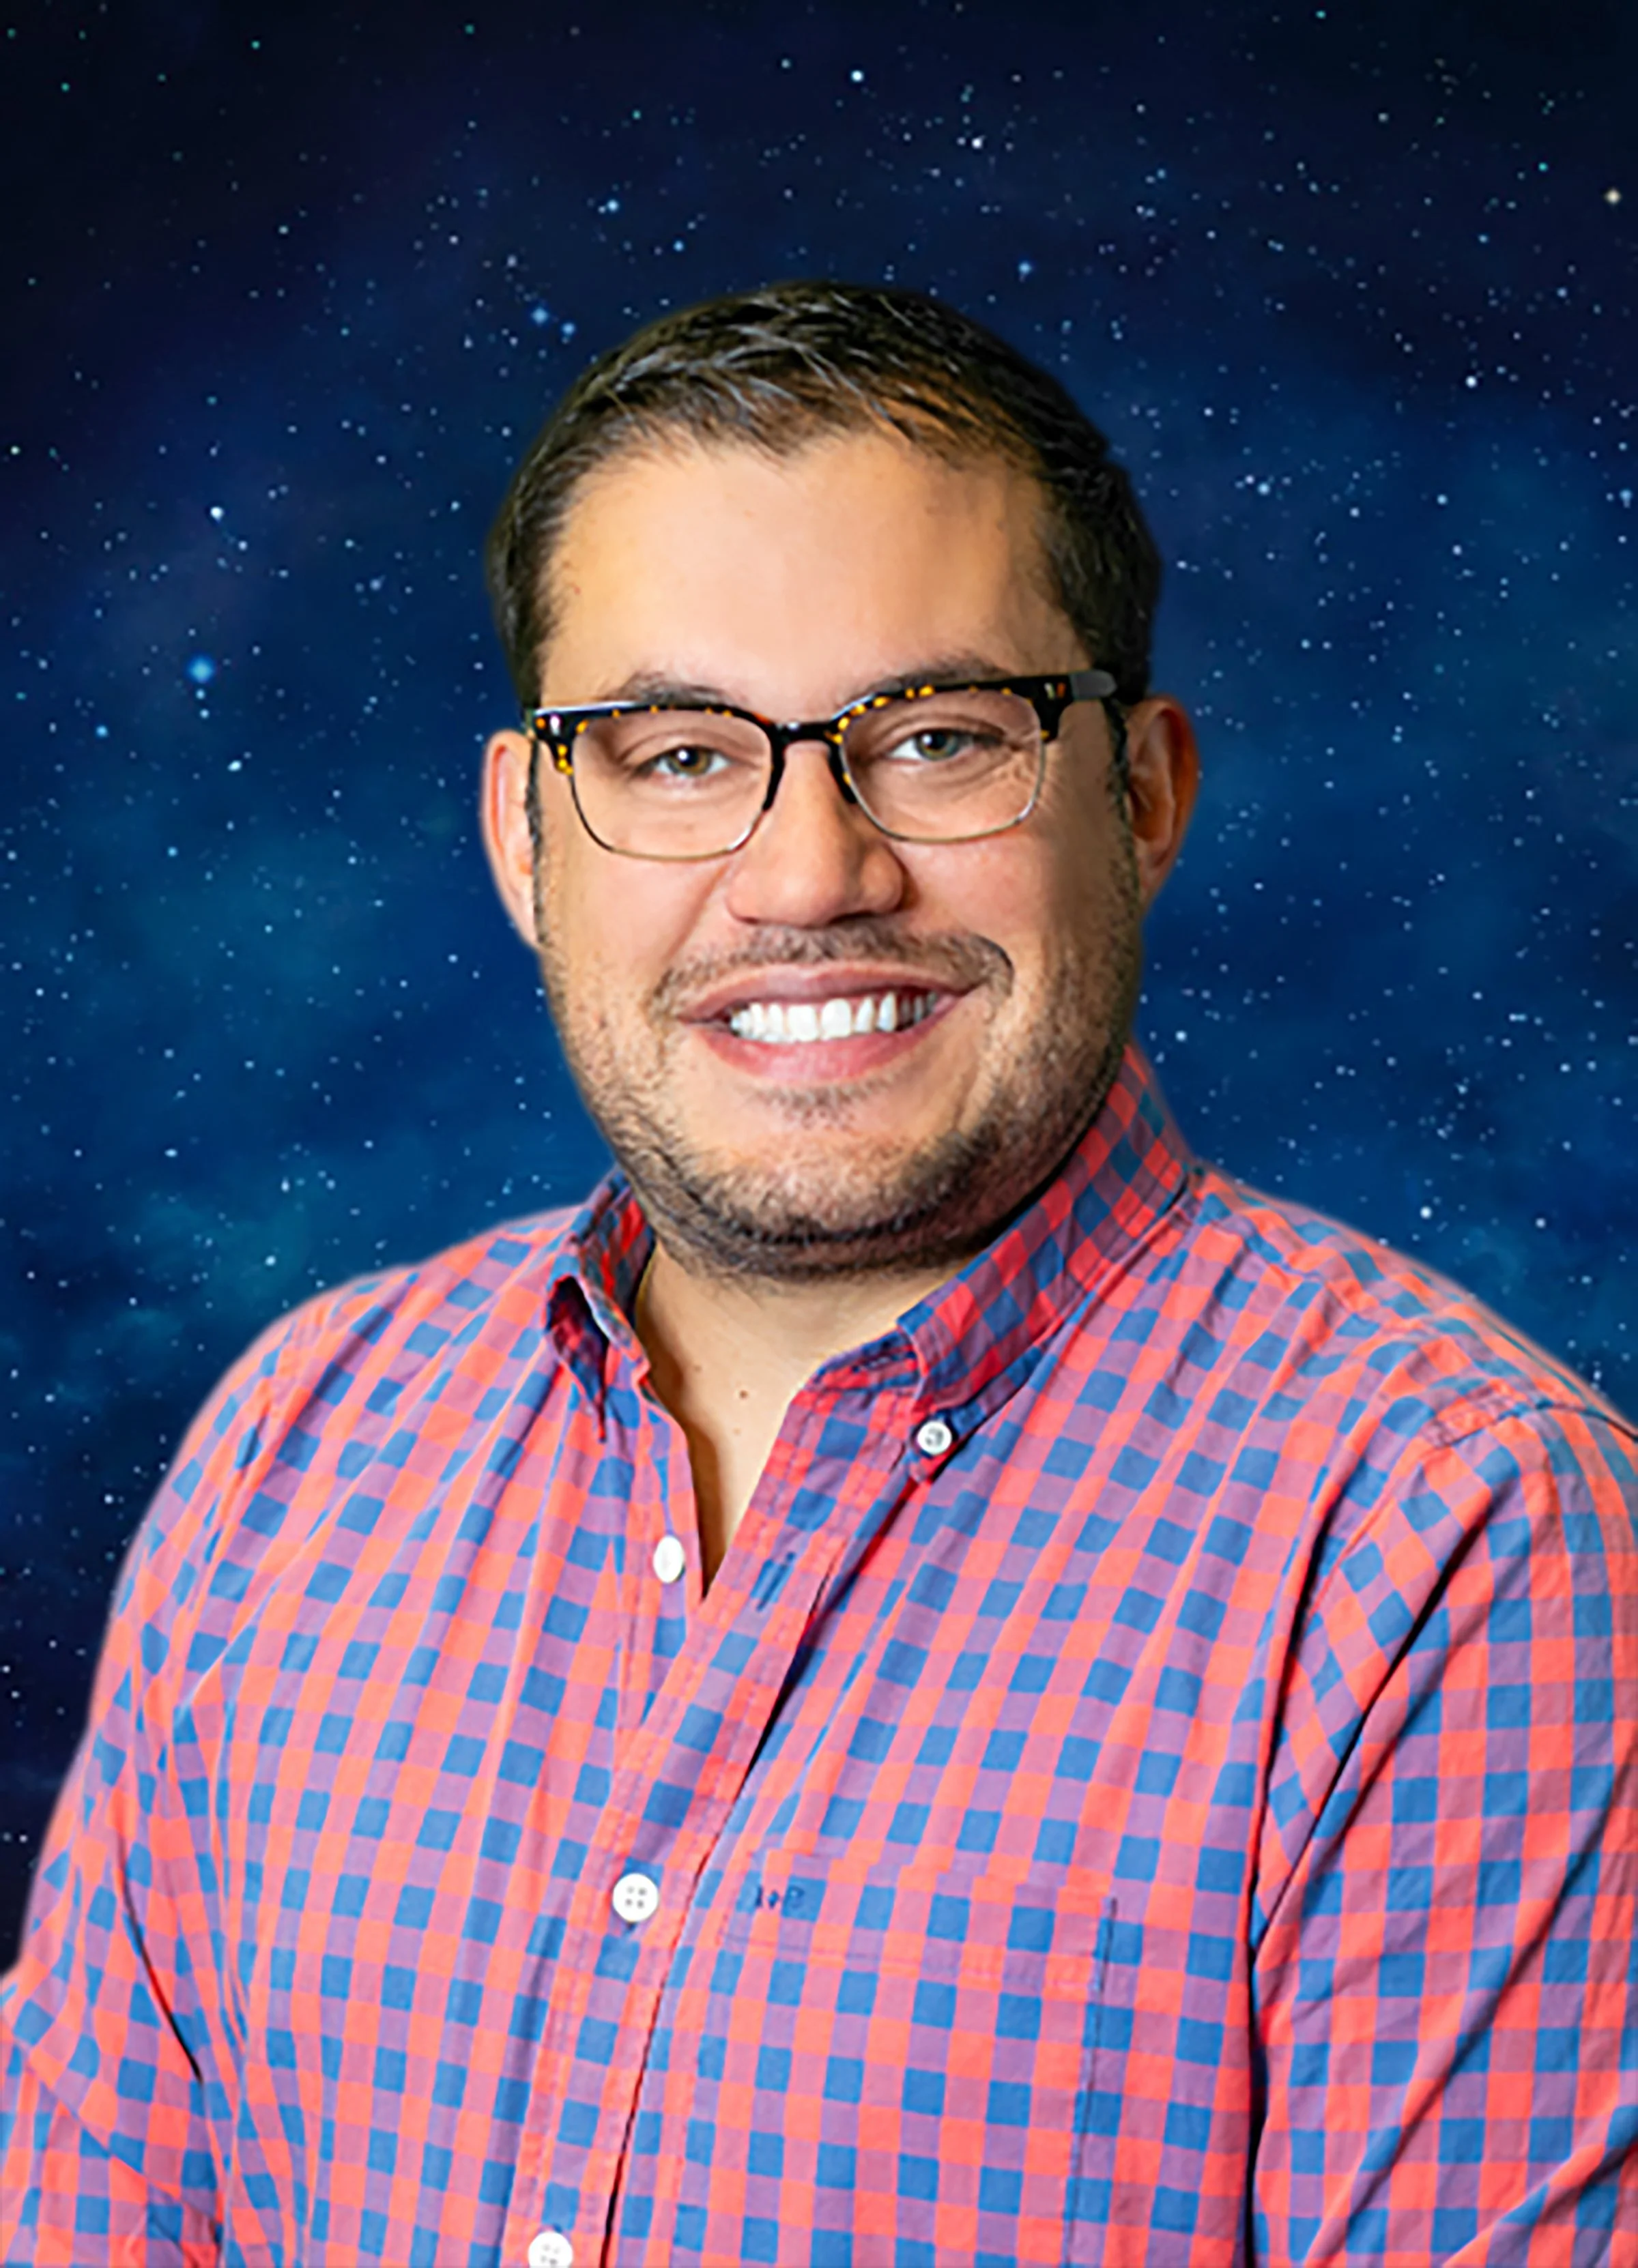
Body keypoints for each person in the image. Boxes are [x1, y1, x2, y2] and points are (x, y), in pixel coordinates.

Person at [3, 280, 1635, 2268]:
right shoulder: (298, 1446)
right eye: (677, 754)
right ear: (526, 838)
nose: (807, 876)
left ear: (1141, 797)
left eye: (938, 737)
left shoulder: (1453, 1541)